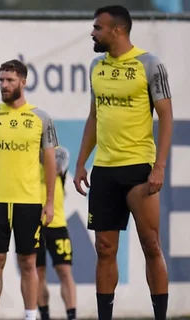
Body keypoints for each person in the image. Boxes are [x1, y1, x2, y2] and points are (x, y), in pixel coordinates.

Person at [73, 6, 172, 320]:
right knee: (104, 249)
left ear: (117, 30)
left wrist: (159, 166)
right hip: (104, 170)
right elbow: (94, 117)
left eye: (98, 28)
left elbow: (167, 116)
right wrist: (80, 163)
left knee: (151, 244)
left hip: (139, 169)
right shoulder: (96, 67)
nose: (93, 33)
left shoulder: (150, 65)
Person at [0, 59, 59, 320]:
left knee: (28, 262)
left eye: (9, 80)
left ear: (23, 81)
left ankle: (31, 316)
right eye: (1, 80)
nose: (4, 85)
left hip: (29, 201)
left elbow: (50, 162)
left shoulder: (41, 118)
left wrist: (50, 201)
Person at [36, 146, 77, 320]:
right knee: (38, 274)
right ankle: (44, 315)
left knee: (65, 271)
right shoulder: (26, 158)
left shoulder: (58, 153)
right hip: (35, 225)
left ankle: (72, 316)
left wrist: (39, 151)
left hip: (58, 223)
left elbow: (58, 166)